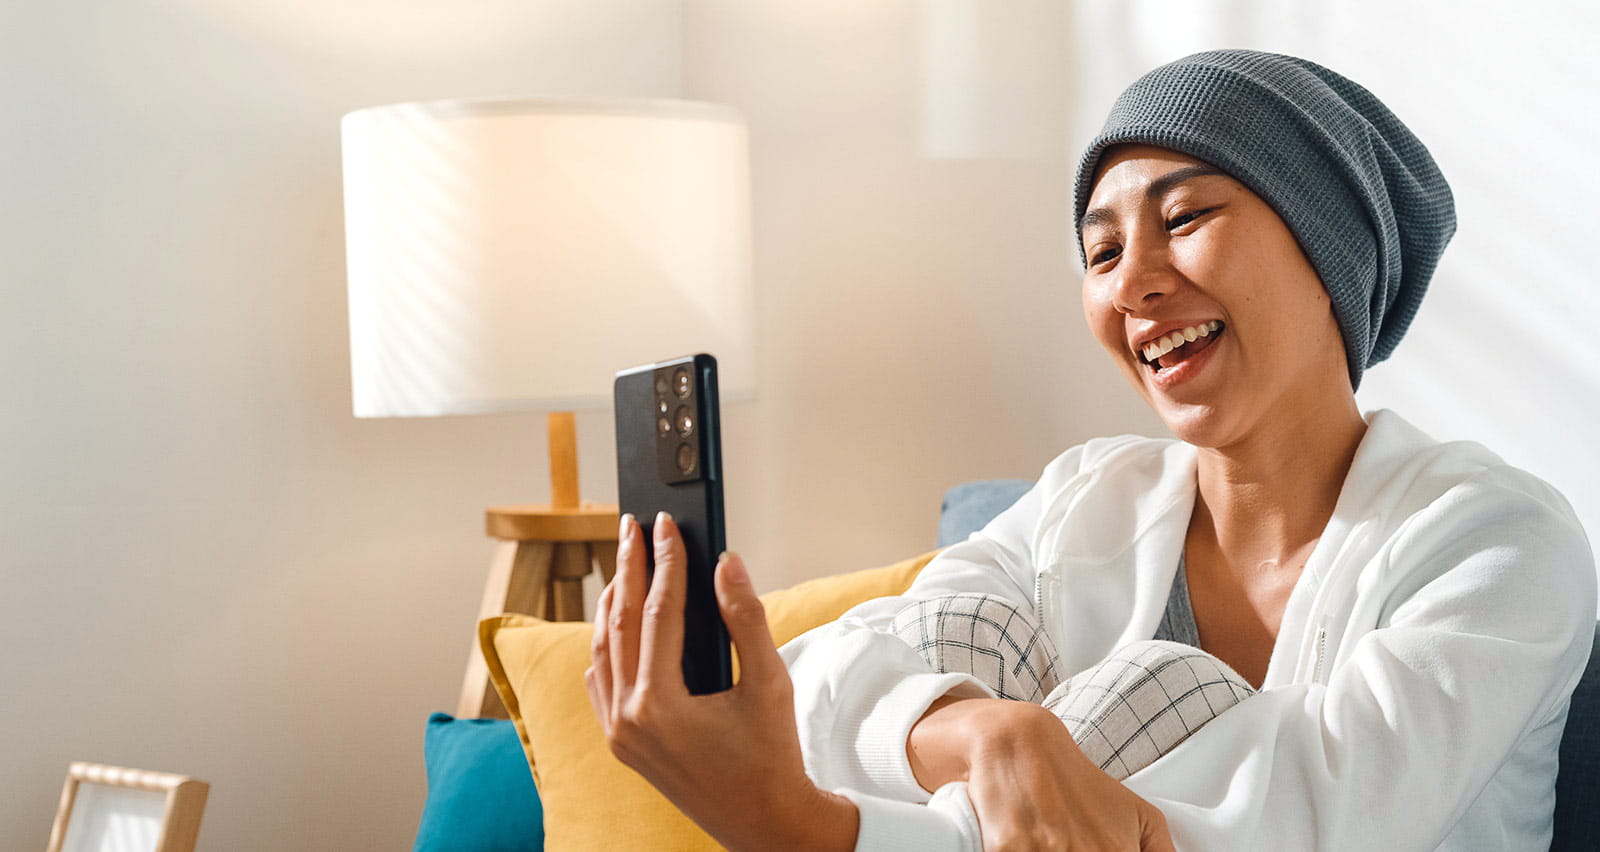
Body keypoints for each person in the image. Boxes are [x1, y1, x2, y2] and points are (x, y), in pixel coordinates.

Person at [584, 49, 1596, 850]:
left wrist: (808, 830)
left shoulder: (1495, 542)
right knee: (963, 643)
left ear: (1329, 251)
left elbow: (1291, 826)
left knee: (1171, 697)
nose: (1130, 284)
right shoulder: (1088, 493)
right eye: (1102, 250)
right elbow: (824, 673)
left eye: (1186, 216)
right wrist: (987, 737)